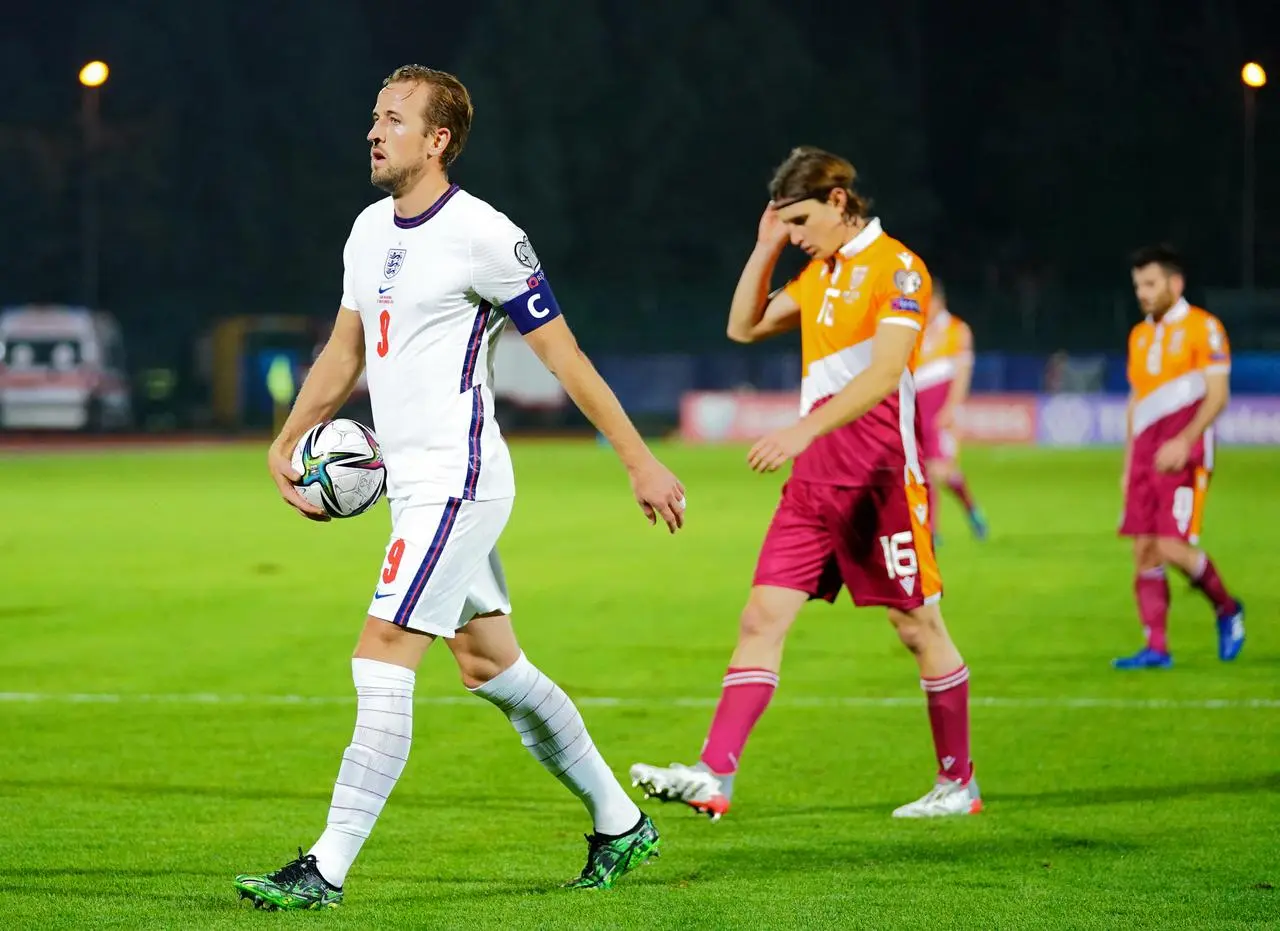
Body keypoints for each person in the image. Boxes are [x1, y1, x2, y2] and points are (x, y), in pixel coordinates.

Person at [233, 64, 685, 910]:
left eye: (394, 118)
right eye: (374, 115)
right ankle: (620, 822)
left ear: (438, 140)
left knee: (380, 656)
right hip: (415, 485)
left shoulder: (486, 235)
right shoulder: (367, 232)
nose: (374, 130)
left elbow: (564, 357)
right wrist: (287, 439)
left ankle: (325, 868)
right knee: (489, 665)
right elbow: (344, 352)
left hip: (460, 479)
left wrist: (639, 457)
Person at [630, 146, 979, 821]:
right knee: (761, 617)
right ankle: (714, 775)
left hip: (880, 480)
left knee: (918, 625)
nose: (794, 235)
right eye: (785, 223)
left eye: (799, 220)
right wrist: (764, 249)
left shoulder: (899, 269)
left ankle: (957, 781)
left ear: (840, 202)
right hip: (813, 486)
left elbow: (883, 375)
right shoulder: (820, 273)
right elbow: (742, 326)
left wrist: (800, 430)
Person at [1115, 245, 1245, 669]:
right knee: (1144, 551)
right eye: (1138, 286)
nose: (1143, 293)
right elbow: (1138, 400)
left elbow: (1218, 394)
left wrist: (1186, 440)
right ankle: (1156, 647)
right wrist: (1128, 463)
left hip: (1183, 456)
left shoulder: (1203, 328)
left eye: (1150, 284)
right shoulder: (1139, 335)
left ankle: (1227, 608)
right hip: (1144, 457)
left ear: (1175, 283)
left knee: (1172, 547)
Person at [915, 283, 988, 542]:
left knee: (940, 471)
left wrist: (951, 408)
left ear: (938, 301)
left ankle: (968, 511)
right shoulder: (916, 330)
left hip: (940, 411)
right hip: (917, 411)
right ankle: (932, 531)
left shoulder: (958, 330)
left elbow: (963, 373)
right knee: (924, 471)